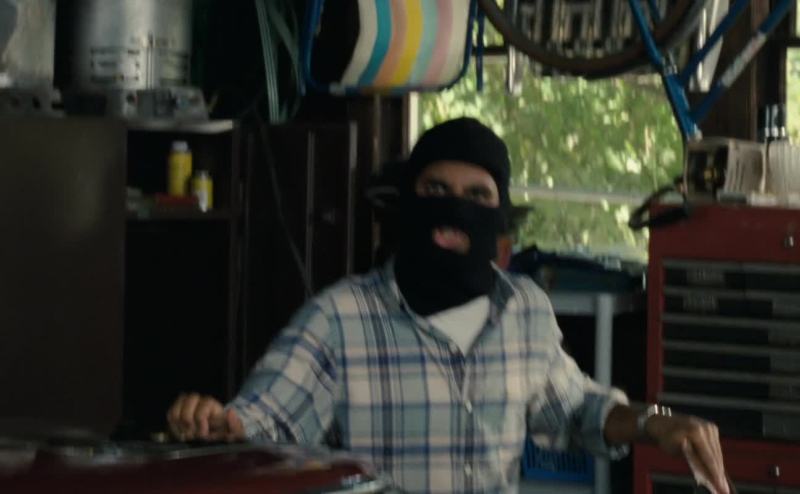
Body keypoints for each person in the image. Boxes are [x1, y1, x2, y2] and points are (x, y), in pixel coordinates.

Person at [168, 118, 729, 494]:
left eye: (477, 196)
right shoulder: (339, 320)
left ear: (499, 220)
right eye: (436, 191)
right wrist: (213, 422)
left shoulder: (524, 310)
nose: (455, 211)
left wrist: (656, 423)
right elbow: (263, 422)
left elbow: (577, 408)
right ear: (408, 205)